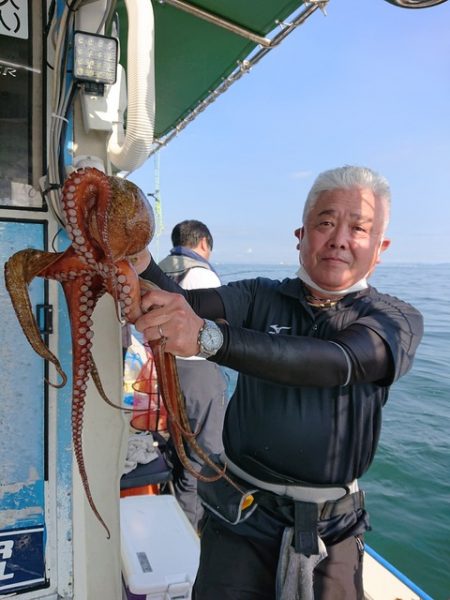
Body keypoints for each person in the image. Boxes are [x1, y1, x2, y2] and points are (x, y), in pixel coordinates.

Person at [132, 166, 423, 600]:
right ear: (301, 235)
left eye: (358, 228)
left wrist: (210, 339)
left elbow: (340, 361)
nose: (339, 238)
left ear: (379, 248)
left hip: (332, 526)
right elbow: (182, 303)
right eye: (325, 223)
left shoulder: (394, 320)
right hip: (240, 514)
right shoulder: (258, 295)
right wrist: (138, 258)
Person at [158, 219, 228, 529]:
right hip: (198, 371)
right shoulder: (200, 273)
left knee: (179, 443)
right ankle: (189, 528)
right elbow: (215, 327)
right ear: (203, 243)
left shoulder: (161, 269)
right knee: (204, 452)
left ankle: (173, 510)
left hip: (166, 368)